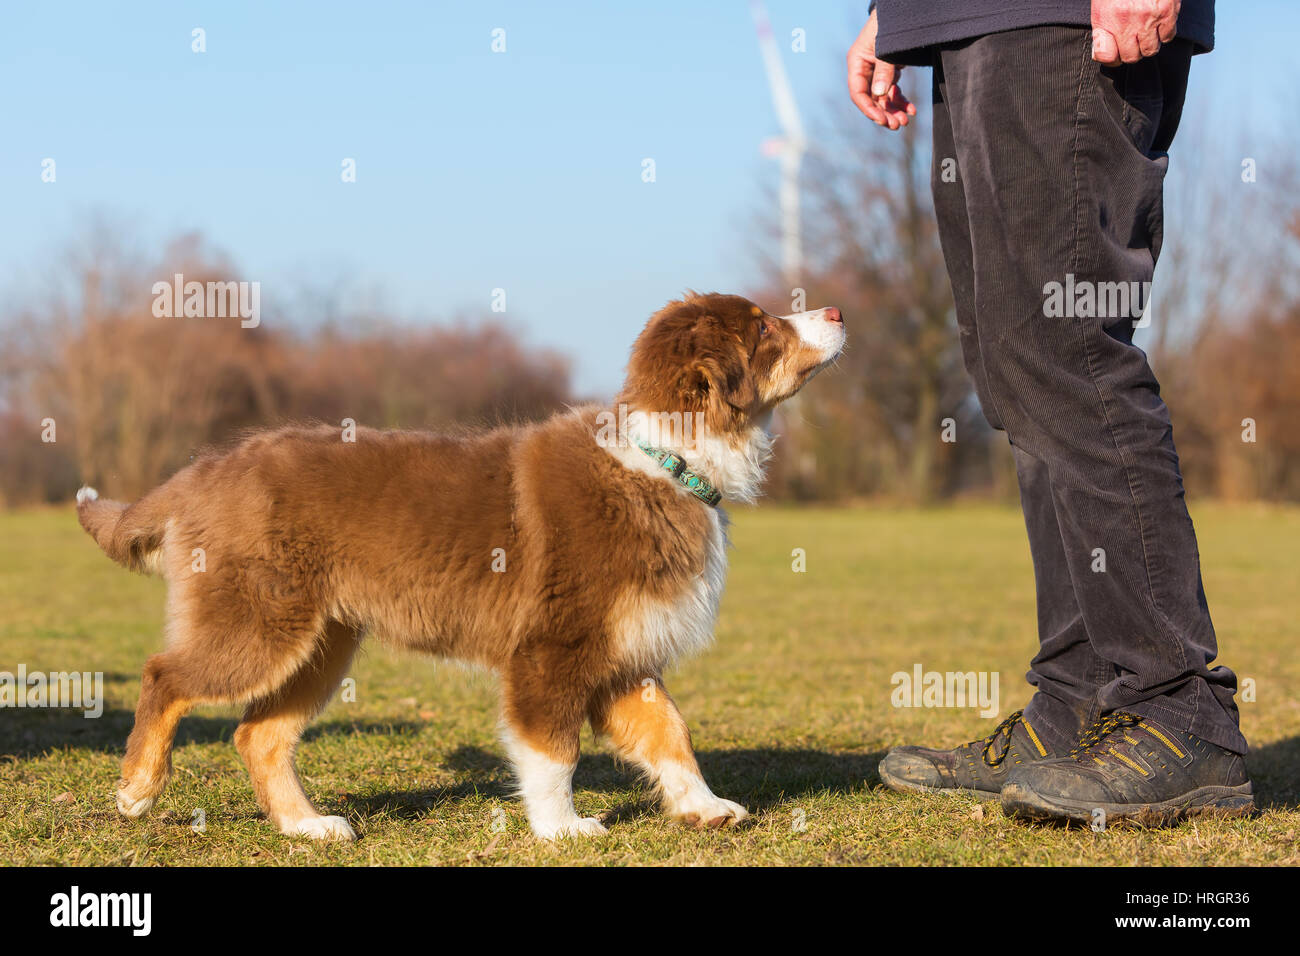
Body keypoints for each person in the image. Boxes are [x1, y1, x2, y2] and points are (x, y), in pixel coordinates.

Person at [849, 0, 1253, 825]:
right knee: (1013, 367)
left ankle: (1177, 708)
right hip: (960, 21)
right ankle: (1077, 702)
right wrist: (891, 12)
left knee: (1067, 350)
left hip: (1064, 18)